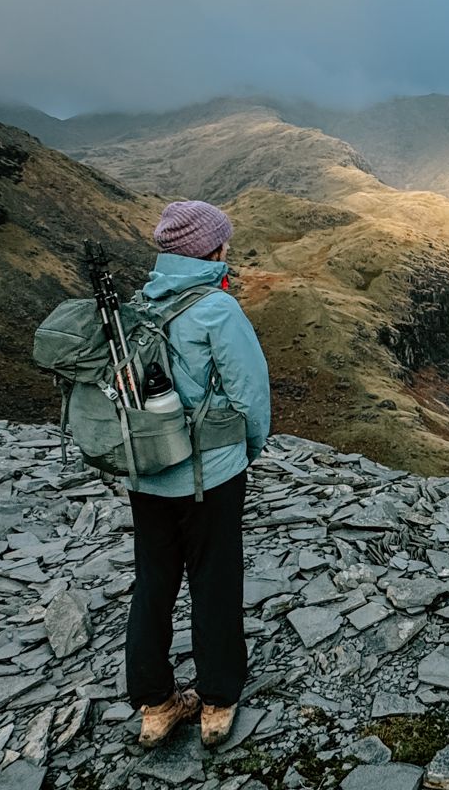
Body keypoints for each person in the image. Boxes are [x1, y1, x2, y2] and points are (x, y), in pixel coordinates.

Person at [126, 199, 272, 749]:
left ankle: (156, 704)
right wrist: (248, 450)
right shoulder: (218, 309)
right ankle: (216, 701)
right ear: (212, 249)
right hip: (209, 476)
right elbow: (249, 394)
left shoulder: (139, 304)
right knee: (214, 579)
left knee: (154, 581)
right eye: (225, 241)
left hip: (145, 471)